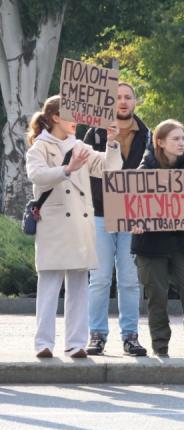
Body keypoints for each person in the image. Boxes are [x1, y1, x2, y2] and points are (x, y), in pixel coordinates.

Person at [25, 95, 122, 358]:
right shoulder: (39, 147)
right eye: (72, 115)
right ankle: (43, 342)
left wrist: (112, 142)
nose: (77, 121)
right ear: (56, 117)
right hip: (54, 224)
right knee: (49, 285)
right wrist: (67, 169)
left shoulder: (80, 145)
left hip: (80, 223)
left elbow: (108, 168)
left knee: (79, 286)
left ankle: (76, 343)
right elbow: (37, 176)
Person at [131, 119, 184, 358]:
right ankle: (160, 347)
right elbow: (130, 208)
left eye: (183, 138)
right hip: (151, 246)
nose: (181, 143)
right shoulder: (143, 172)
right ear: (160, 142)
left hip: (182, 244)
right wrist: (134, 221)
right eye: (176, 139)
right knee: (157, 298)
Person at [84, 83, 150, 357]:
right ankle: (97, 335)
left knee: (130, 280)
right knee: (99, 279)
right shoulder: (95, 133)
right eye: (118, 98)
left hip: (132, 216)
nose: (123, 102)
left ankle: (130, 336)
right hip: (99, 214)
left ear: (135, 101)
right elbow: (84, 168)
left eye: (128, 97)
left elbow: (157, 174)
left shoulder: (148, 135)